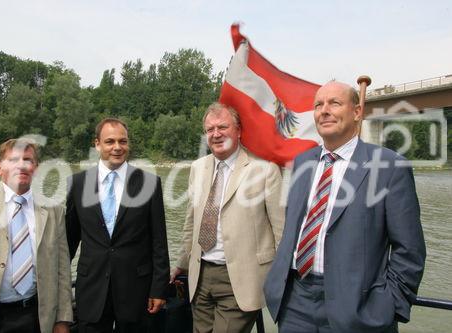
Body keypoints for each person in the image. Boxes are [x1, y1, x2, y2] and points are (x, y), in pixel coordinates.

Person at [264, 81, 426, 333]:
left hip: (356, 308)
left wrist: (389, 304)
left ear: (357, 112)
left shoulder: (389, 167)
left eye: (335, 103)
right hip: (295, 302)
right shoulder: (302, 162)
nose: (324, 110)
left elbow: (410, 250)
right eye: (319, 105)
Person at [171, 102, 285, 333]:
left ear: (239, 130)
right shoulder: (197, 168)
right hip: (200, 276)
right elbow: (191, 223)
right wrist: (181, 264)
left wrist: (282, 279)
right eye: (210, 129)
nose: (216, 134)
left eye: (222, 127)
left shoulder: (264, 169)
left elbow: (280, 229)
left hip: (242, 279)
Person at [0, 139, 73, 333]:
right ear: (0, 167)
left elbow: (62, 270)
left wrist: (63, 320)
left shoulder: (53, 211)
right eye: (13, 159)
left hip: (32, 317)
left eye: (28, 160)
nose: (21, 165)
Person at [66, 118, 170, 333]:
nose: (117, 147)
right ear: (97, 144)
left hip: (136, 291)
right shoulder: (78, 184)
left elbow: (159, 241)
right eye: (110, 141)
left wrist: (159, 289)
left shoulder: (149, 184)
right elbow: (68, 241)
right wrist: (57, 287)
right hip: (92, 288)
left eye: (123, 141)